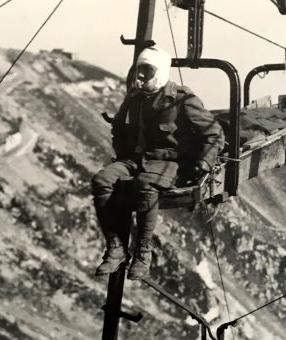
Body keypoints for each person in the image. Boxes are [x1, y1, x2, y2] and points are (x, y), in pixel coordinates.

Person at [91, 45, 225, 280]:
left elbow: (214, 134)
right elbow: (120, 127)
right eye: (138, 71)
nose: (140, 78)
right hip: (135, 158)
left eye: (147, 71)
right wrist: (122, 154)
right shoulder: (134, 98)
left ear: (161, 72)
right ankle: (116, 247)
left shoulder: (182, 100)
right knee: (102, 180)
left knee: (145, 185)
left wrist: (204, 162)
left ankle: (143, 252)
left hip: (169, 162)